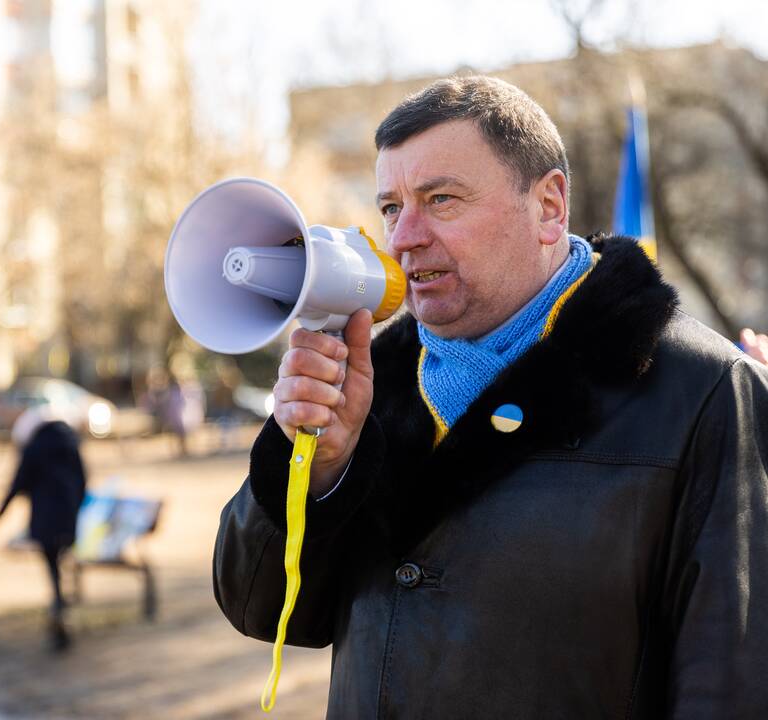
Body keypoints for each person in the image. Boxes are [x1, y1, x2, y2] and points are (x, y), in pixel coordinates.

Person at [212, 76, 768, 717]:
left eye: (440, 199)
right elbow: (262, 609)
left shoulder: (703, 391)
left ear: (550, 207)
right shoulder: (369, 385)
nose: (402, 237)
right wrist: (318, 468)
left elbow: (732, 682)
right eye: (391, 207)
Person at [0, 403, 87, 652]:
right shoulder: (70, 442)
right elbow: (84, 477)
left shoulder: (34, 447)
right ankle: (62, 602)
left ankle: (58, 602)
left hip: (45, 517)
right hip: (68, 514)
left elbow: (18, 482)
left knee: (51, 563)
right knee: (64, 557)